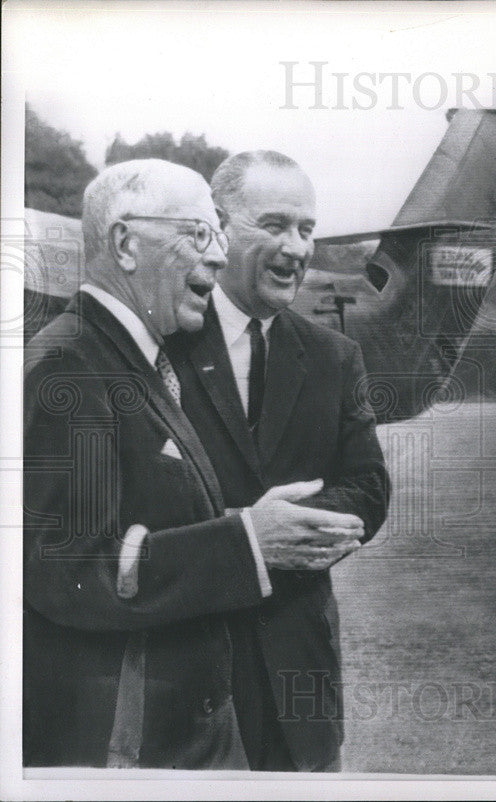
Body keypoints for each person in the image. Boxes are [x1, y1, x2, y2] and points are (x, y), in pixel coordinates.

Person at [22, 159, 361, 769]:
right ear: (126, 244)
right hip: (123, 747)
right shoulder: (72, 366)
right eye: (199, 234)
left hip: (185, 737)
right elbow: (69, 570)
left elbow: (141, 524)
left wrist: (245, 527)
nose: (217, 258)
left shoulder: (135, 360)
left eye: (220, 238)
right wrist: (250, 542)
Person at [166, 151, 390, 771]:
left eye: (307, 228)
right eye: (275, 225)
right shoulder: (162, 340)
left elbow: (369, 488)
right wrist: (245, 537)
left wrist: (291, 530)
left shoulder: (333, 356)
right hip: (188, 673)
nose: (296, 248)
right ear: (217, 226)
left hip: (302, 681)